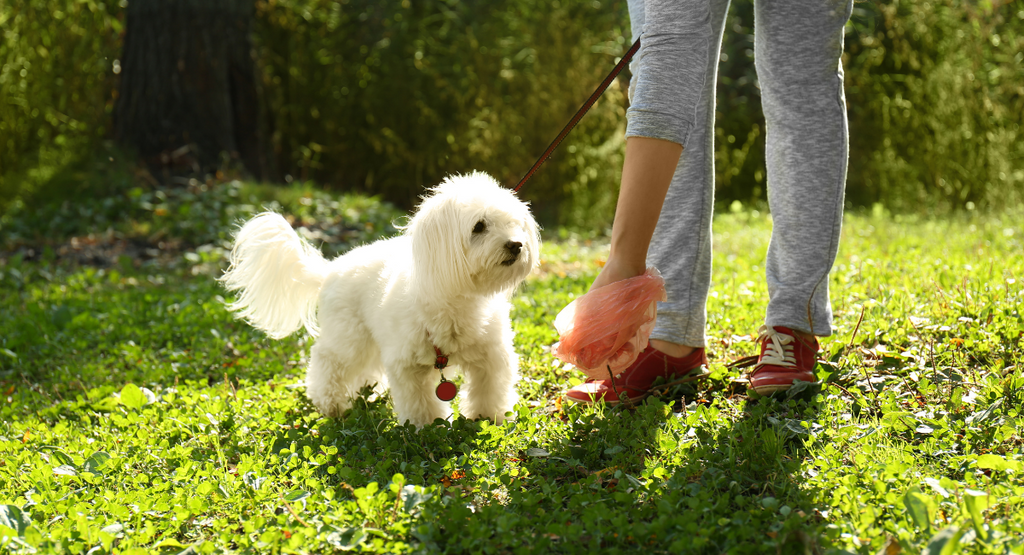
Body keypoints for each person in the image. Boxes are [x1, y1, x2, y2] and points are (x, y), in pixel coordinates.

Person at [564, 0, 853, 405]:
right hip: (669, 51)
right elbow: (669, 50)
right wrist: (625, 263)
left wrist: (623, 262)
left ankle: (792, 322)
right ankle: (669, 335)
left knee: (798, 71)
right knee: (667, 65)